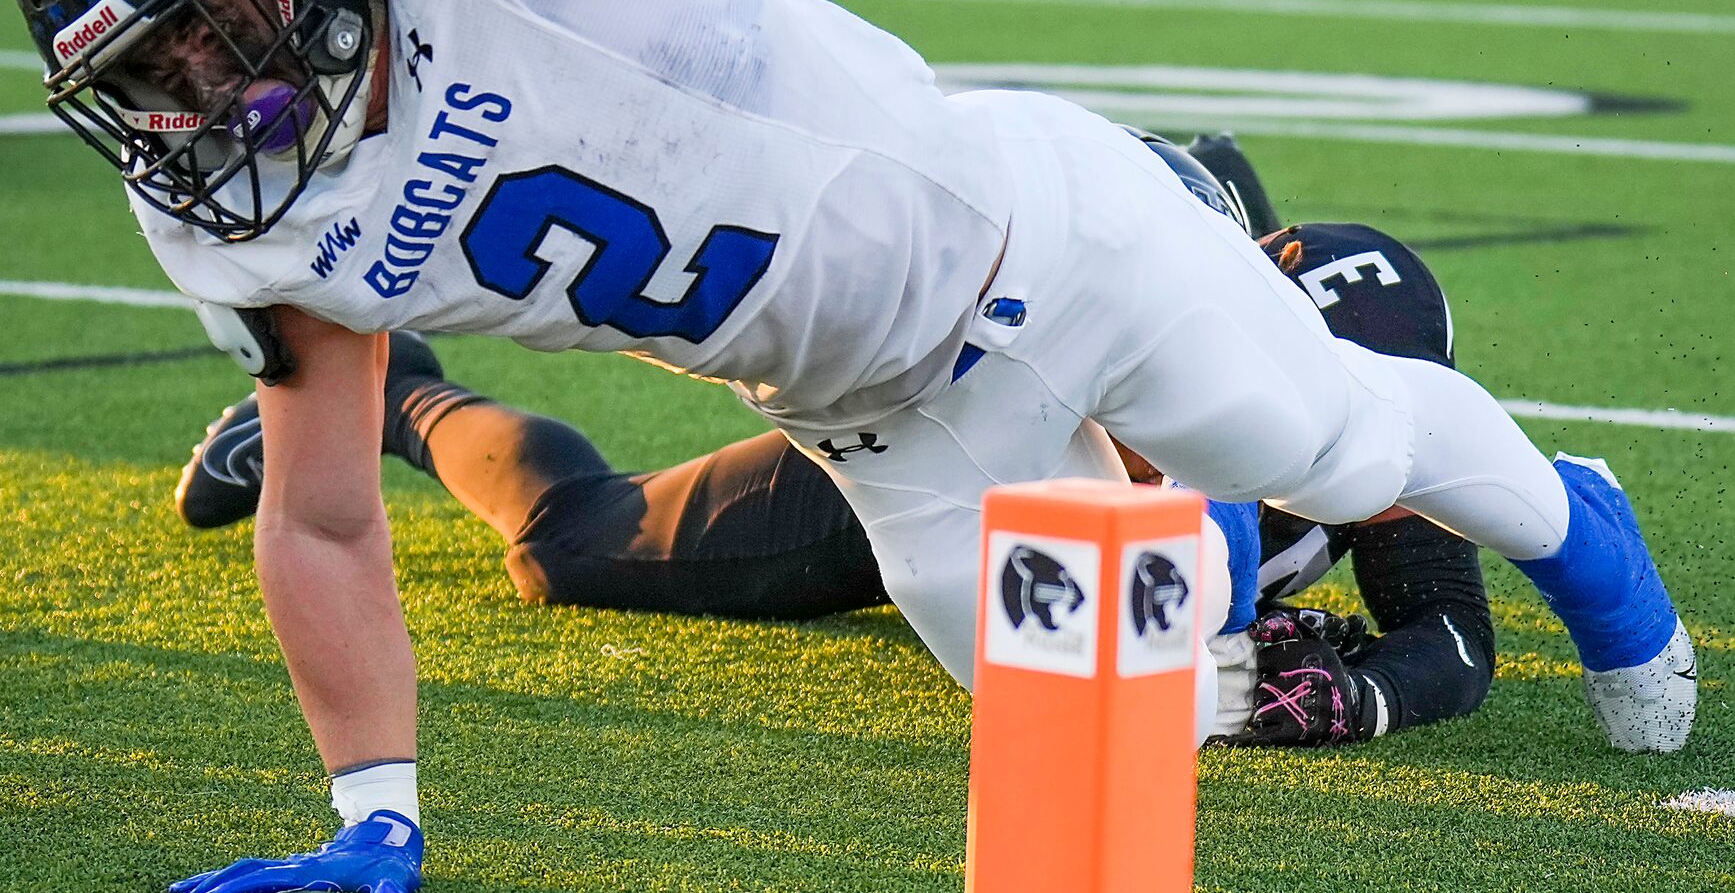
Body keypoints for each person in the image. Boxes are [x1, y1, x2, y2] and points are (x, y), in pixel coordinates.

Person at [2, 0, 1695, 893]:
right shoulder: (258, 211)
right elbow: (315, 510)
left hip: (1058, 236)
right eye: (144, 85)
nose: (194, 106)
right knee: (1130, 719)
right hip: (887, 428)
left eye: (201, 41)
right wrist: (375, 806)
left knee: (1326, 435)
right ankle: (1221, 565)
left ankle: (1587, 542)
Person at [173, 135, 1495, 750]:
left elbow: (1454, 639)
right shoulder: (1175, 326)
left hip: (1032, 529)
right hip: (937, 460)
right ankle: (406, 394)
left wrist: (1358, 695)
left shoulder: (1365, 422)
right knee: (573, 548)